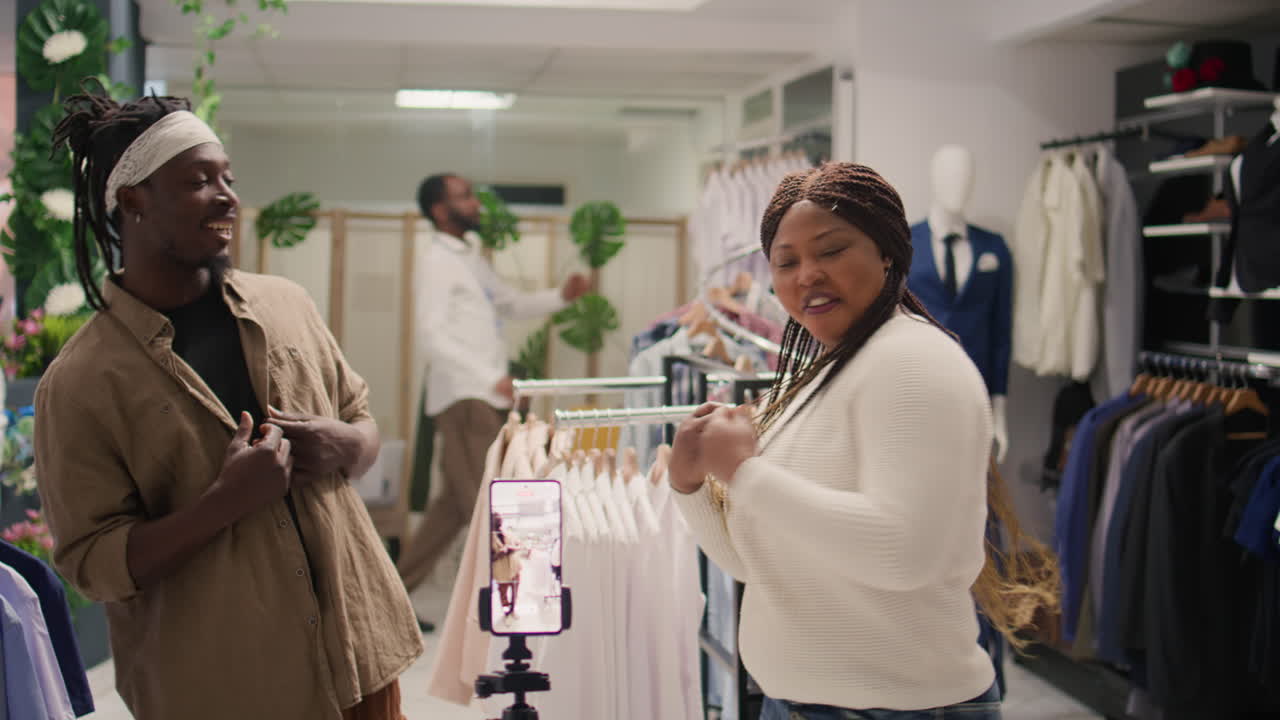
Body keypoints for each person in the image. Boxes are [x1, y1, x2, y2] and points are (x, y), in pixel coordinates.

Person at [34, 88, 422, 720]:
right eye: (198, 181)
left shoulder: (285, 304)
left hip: (360, 658)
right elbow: (93, 564)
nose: (227, 196)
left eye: (228, 177)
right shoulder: (82, 381)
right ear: (132, 201)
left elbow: (360, 417)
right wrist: (226, 503)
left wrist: (348, 445)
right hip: (226, 688)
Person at [669, 163, 1059, 720]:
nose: (807, 275)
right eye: (787, 261)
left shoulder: (911, 362)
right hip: (808, 704)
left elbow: (905, 552)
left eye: (830, 251)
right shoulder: (824, 373)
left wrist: (744, 473)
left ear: (886, 253)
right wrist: (691, 487)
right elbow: (761, 564)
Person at [397, 174, 589, 601]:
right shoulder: (436, 263)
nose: (477, 205)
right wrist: (488, 379)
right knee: (488, 505)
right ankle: (521, 602)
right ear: (440, 211)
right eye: (465, 198)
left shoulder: (468, 258)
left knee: (453, 507)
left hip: (485, 395)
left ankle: (387, 597)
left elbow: (510, 303)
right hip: (468, 397)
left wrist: (562, 297)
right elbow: (431, 336)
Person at [490, 513, 523, 618]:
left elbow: (520, 545)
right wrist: (500, 554)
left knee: (515, 592)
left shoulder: (508, 533)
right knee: (503, 594)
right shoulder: (489, 538)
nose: (500, 521)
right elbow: (489, 558)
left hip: (515, 568)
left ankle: (513, 610)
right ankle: (506, 611)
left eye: (500, 519)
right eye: (497, 519)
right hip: (501, 571)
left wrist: (512, 548)